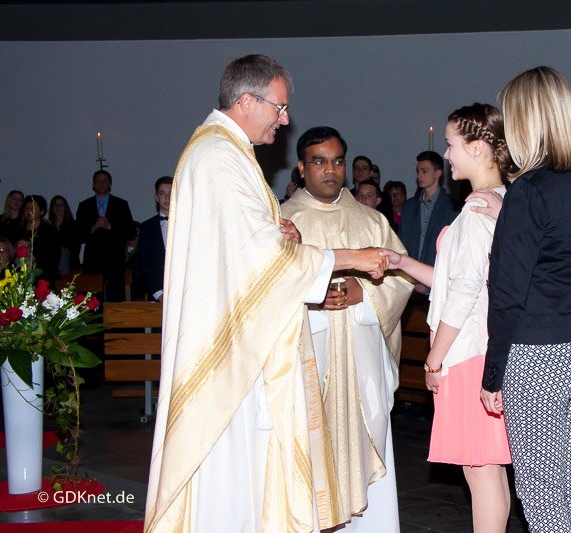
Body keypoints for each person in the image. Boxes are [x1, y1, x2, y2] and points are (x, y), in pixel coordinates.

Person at [144, 54, 388, 533]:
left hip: (237, 336)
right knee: (232, 471)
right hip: (227, 351)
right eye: (278, 107)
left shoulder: (225, 151)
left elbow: (246, 243)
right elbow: (263, 259)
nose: (285, 118)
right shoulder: (219, 157)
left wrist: (279, 232)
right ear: (246, 101)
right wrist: (353, 258)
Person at [479, 66, 571, 533]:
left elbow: (507, 293)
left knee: (542, 495)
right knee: (563, 486)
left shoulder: (529, 190)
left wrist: (493, 373)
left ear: (527, 119)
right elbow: (558, 255)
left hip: (538, 356)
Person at [384, 103, 513, 533]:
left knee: (480, 470)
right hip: (478, 346)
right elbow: (450, 278)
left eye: (452, 144)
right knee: (487, 468)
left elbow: (464, 291)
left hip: (466, 350)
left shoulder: (478, 206)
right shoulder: (498, 200)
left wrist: (434, 358)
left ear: (477, 147)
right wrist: (403, 262)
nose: (447, 154)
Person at [282, 126, 413, 531]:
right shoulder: (284, 222)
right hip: (308, 366)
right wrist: (310, 296)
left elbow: (402, 278)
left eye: (338, 161)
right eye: (319, 161)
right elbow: (263, 291)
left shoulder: (371, 221)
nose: (331, 170)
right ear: (301, 167)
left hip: (361, 366)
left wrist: (366, 292)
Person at [75, 170, 136, 301]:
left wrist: (110, 227)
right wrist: (93, 228)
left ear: (110, 184)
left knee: (116, 300)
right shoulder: (84, 205)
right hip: (93, 261)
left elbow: (131, 232)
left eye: (105, 181)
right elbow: (77, 234)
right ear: (93, 184)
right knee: (92, 300)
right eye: (98, 180)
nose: (101, 183)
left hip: (115, 260)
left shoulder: (121, 204)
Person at [398, 150, 458, 270]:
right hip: (410, 272)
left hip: (438, 272)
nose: (419, 175)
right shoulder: (409, 206)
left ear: (438, 173)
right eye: (418, 171)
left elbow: (453, 247)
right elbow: (402, 243)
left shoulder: (451, 207)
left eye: (424, 171)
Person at [10, 195, 61, 285]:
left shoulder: (49, 231)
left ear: (41, 212)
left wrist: (31, 250)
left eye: (33, 208)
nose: (29, 210)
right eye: (27, 208)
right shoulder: (17, 230)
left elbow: (53, 257)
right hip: (20, 275)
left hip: (44, 276)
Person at [138, 176, 172, 301]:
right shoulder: (146, 228)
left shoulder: (189, 225)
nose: (167, 198)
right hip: (158, 295)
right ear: (156, 197)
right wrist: (159, 294)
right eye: (162, 193)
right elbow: (145, 263)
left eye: (171, 193)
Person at [49, 195, 81, 274]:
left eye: (61, 205)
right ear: (52, 207)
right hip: (52, 266)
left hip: (70, 266)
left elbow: (75, 247)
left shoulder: (73, 225)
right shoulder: (48, 226)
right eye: (55, 205)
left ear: (65, 207)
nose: (58, 207)